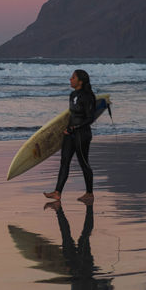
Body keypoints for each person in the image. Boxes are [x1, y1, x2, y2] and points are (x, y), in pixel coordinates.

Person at [44, 69, 96, 203]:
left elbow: (90, 118)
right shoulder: (72, 94)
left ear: (80, 81)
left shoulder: (88, 96)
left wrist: (75, 128)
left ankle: (89, 193)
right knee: (64, 162)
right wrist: (66, 129)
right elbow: (71, 115)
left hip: (82, 134)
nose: (70, 79)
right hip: (69, 134)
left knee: (84, 163)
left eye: (73, 77)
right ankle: (57, 193)